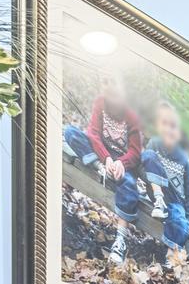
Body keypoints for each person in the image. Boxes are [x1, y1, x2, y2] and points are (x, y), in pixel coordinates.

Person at [60, 71, 149, 258]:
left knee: (130, 187)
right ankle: (98, 168)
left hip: (122, 163)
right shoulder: (100, 103)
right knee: (70, 133)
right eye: (105, 85)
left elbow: (135, 151)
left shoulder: (132, 116)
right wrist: (106, 159)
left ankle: (120, 240)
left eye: (114, 85)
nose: (109, 90)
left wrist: (120, 163)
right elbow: (92, 133)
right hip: (100, 154)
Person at [138, 100, 189, 262]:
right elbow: (144, 165)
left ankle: (171, 254)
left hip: (175, 199)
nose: (168, 129)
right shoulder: (154, 144)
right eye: (164, 124)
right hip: (155, 191)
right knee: (148, 156)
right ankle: (158, 202)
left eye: (173, 126)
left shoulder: (184, 159)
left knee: (179, 220)